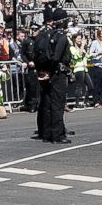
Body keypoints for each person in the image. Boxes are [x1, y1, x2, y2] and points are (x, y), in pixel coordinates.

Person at [37, 8, 72, 143]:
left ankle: (47, 133)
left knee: (47, 104)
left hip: (49, 73)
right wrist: (51, 72)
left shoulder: (49, 35)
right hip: (57, 74)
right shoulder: (61, 37)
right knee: (57, 104)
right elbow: (56, 57)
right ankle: (58, 135)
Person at [19, 25, 41, 112]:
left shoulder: (41, 40)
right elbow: (22, 54)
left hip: (39, 66)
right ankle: (31, 105)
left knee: (39, 87)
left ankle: (39, 104)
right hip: (31, 67)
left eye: (35, 29)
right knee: (31, 86)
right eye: (32, 29)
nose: (34, 31)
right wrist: (28, 62)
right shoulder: (27, 41)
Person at [69, 33, 94, 109]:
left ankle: (85, 101)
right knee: (79, 87)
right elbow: (78, 56)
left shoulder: (82, 48)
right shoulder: (72, 48)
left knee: (91, 86)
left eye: (81, 39)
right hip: (78, 69)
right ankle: (77, 103)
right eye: (79, 39)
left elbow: (87, 56)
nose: (80, 40)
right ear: (75, 40)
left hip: (84, 69)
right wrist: (83, 45)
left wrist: (95, 53)